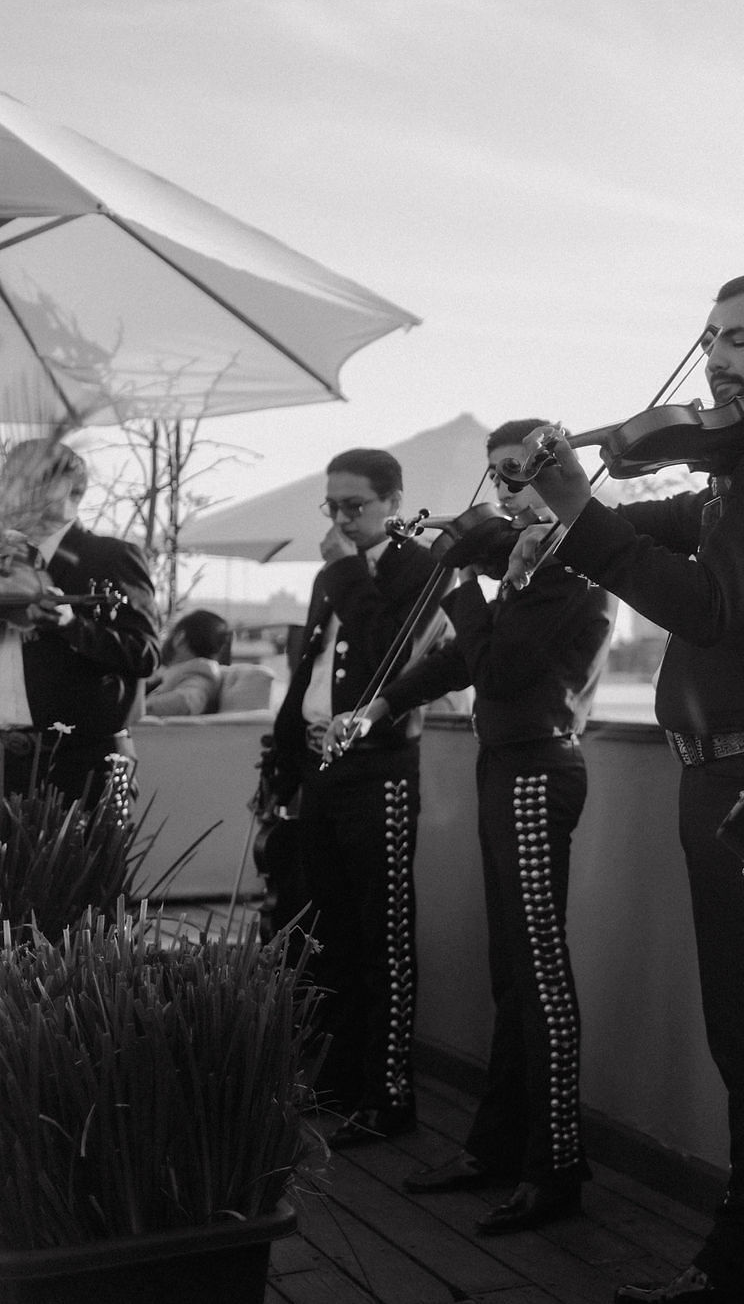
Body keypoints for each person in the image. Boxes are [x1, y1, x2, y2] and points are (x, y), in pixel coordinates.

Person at [523, 273, 744, 1304]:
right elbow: (679, 520)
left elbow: (709, 601)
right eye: (709, 339)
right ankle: (740, 1260)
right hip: (731, 771)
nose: (716, 360)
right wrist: (570, 499)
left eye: (737, 338)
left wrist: (576, 509)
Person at [344, 419, 615, 1236]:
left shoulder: (574, 565)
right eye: (496, 475)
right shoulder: (526, 566)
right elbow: (466, 661)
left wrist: (460, 574)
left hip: (539, 772)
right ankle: (497, 1147)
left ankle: (557, 1165)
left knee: (538, 976)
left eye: (519, 472)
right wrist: (384, 701)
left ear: (557, 475)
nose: (503, 488)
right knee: (511, 973)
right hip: (506, 768)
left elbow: (497, 664)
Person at [262, 447, 443, 1146]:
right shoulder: (328, 576)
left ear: (395, 503)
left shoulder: (421, 570)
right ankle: (337, 1078)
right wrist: (281, 763)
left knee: (383, 937)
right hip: (319, 771)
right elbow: (307, 670)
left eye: (354, 507)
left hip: (381, 770)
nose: (339, 519)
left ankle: (388, 1094)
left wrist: (344, 571)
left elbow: (389, 662)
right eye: (331, 506)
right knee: (327, 930)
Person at [0, 439, 158, 806]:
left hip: (79, 765)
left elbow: (145, 654)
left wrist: (72, 626)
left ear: (63, 487)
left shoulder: (111, 557)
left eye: (21, 480)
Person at [145, 609, 234, 716]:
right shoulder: (184, 675)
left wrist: (129, 708)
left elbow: (187, 702)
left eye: (169, 635)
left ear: (180, 638)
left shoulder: (200, 678)